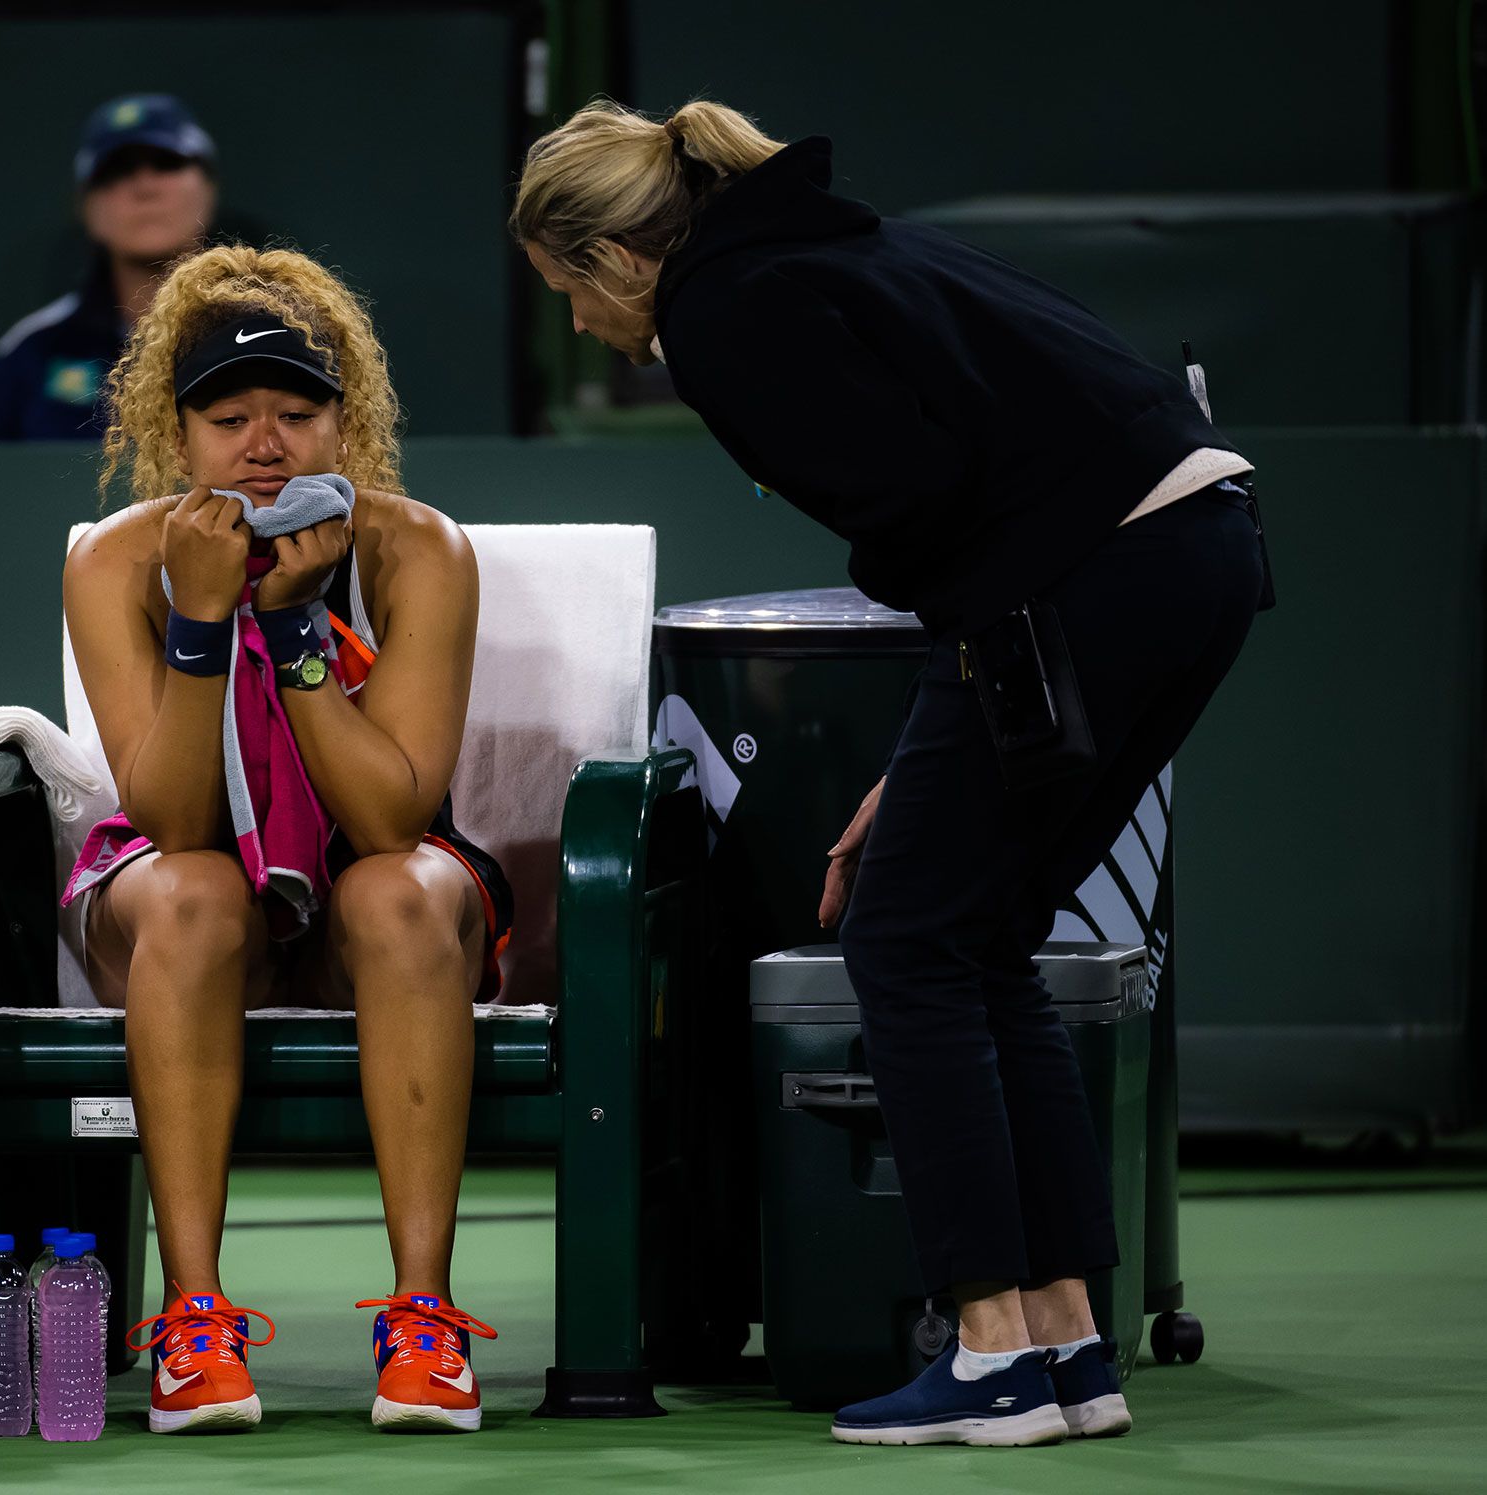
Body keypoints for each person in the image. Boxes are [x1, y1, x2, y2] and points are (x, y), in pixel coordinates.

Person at [515, 100, 1270, 1448]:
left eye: (567, 288)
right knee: (978, 931)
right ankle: (1066, 1340)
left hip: (1096, 579)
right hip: (1196, 556)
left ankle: (986, 1353)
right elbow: (971, 493)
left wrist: (951, 717)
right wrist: (940, 741)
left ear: (619, 260)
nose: (576, 325)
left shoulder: (731, 312)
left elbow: (926, 506)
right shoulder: (821, 248)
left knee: (906, 934)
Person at [60, 244, 514, 1435]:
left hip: (363, 899)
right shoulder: (117, 560)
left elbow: (388, 818)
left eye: (297, 413)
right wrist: (205, 618)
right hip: (195, 907)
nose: (265, 444)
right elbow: (170, 820)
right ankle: (193, 1322)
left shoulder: (420, 551)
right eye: (229, 417)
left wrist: (299, 624)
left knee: (399, 891)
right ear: (180, 430)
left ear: (343, 420)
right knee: (196, 889)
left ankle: (425, 1321)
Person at [0, 94, 220, 441]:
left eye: (166, 163)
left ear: (208, 189)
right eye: (116, 172)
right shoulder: (33, 351)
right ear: (86, 207)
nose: (144, 187)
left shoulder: (270, 333)